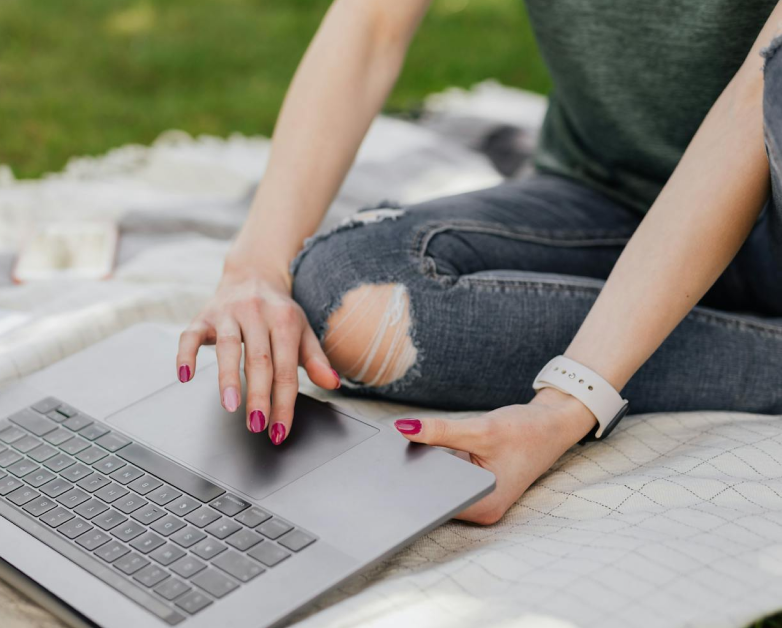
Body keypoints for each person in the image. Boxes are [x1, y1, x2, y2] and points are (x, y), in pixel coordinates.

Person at [175, 0, 782, 525]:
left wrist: (564, 407)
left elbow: (748, 108)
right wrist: (255, 266)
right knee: (359, 304)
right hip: (606, 194)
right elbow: (373, 22)